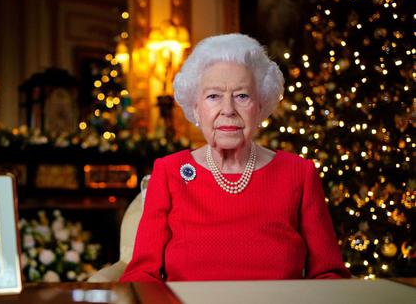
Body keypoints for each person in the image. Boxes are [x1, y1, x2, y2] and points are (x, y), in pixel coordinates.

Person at [120, 34, 351, 282]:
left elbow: (329, 274)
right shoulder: (169, 171)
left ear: (260, 106)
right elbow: (142, 275)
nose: (228, 109)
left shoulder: (298, 173)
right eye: (213, 96)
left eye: (242, 96)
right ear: (196, 107)